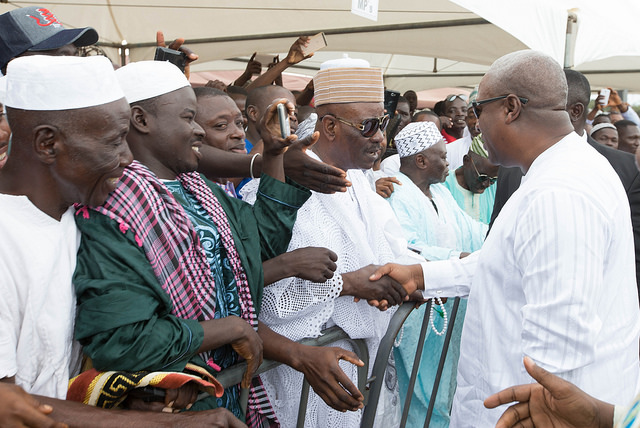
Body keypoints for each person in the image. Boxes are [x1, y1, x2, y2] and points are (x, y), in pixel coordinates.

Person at [72, 60, 360, 426]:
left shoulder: (198, 189)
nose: (197, 131)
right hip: (169, 407)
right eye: (188, 118)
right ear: (141, 121)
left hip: (224, 394)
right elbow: (123, 340)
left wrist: (272, 155)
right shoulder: (113, 206)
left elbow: (260, 247)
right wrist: (226, 329)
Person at [369, 50, 640, 427]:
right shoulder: (554, 171)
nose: (474, 125)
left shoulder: (561, 190)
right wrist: (422, 275)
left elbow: (559, 348)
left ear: (511, 108)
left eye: (479, 109)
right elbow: (505, 260)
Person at [0, 54, 245, 428]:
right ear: (48, 144)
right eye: (114, 142)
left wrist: (124, 392)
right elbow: (8, 404)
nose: (128, 158)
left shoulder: (75, 218)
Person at [243, 57, 422, 428]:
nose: (380, 138)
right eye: (369, 126)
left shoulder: (359, 181)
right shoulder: (272, 190)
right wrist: (347, 284)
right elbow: (260, 295)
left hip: (354, 371)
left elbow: (390, 251)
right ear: (328, 126)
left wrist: (397, 280)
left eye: (384, 123)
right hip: (303, 375)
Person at [386, 121, 487, 428]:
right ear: (421, 161)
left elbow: (472, 231)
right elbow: (406, 248)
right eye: (442, 156)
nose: (448, 163)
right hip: (419, 318)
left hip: (448, 315)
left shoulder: (441, 194)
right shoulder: (397, 194)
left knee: (443, 393)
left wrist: (500, 240)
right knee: (419, 395)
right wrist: (457, 259)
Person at [443, 138, 498, 224]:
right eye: (482, 177)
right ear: (466, 161)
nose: (486, 184)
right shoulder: (443, 186)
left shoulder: (496, 189)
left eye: (493, 179)